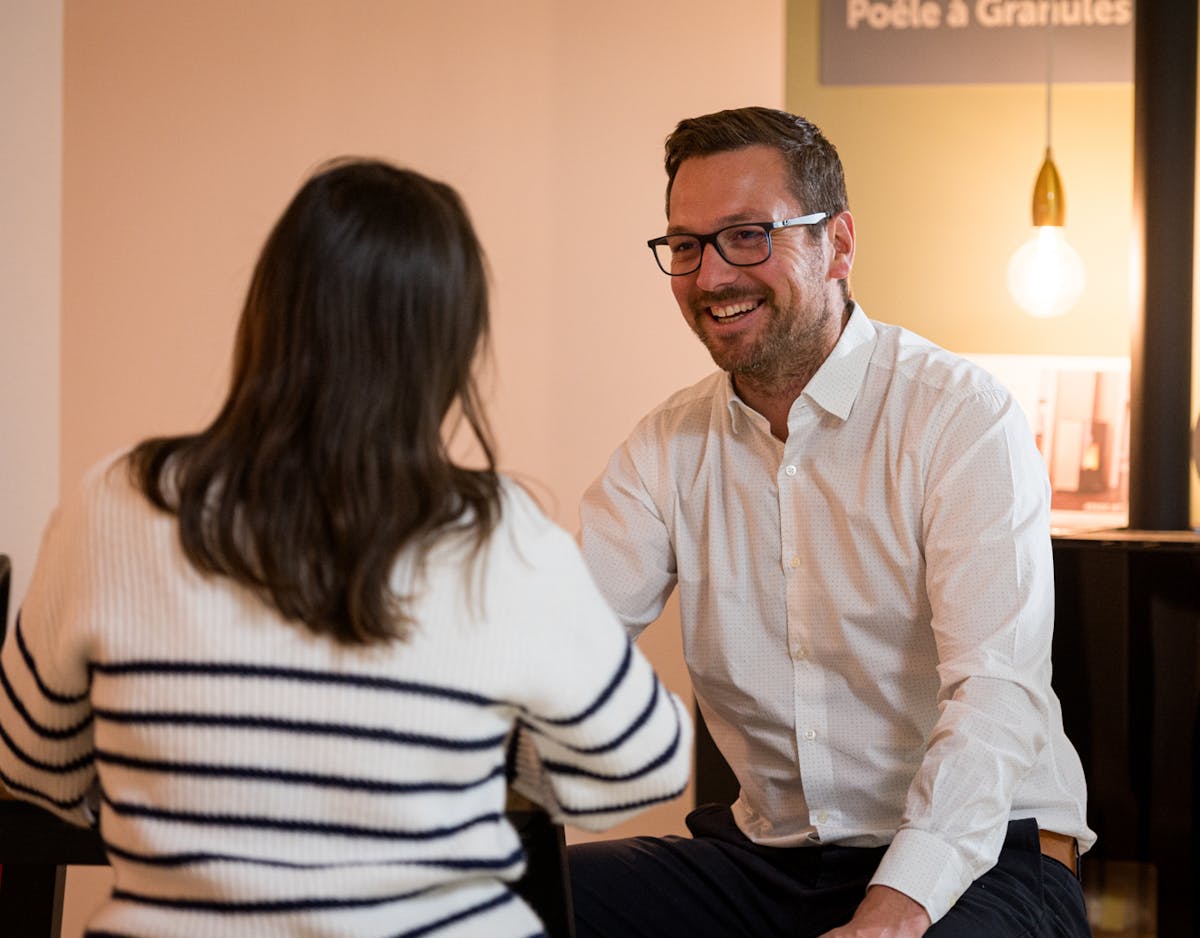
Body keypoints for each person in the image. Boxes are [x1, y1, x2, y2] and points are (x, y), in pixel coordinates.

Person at [0, 158, 691, 938]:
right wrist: (488, 755)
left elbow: (29, 761)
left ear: (271, 310)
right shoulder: (497, 535)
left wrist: (176, 769)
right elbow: (642, 766)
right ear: (449, 344)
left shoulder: (116, 501)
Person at [569, 107, 1094, 937]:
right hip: (772, 860)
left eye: (747, 236)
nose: (710, 278)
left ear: (838, 244)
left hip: (988, 857)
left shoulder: (960, 418)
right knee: (507, 902)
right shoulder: (665, 446)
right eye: (686, 245)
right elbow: (559, 647)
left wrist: (895, 906)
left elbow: (995, 695)